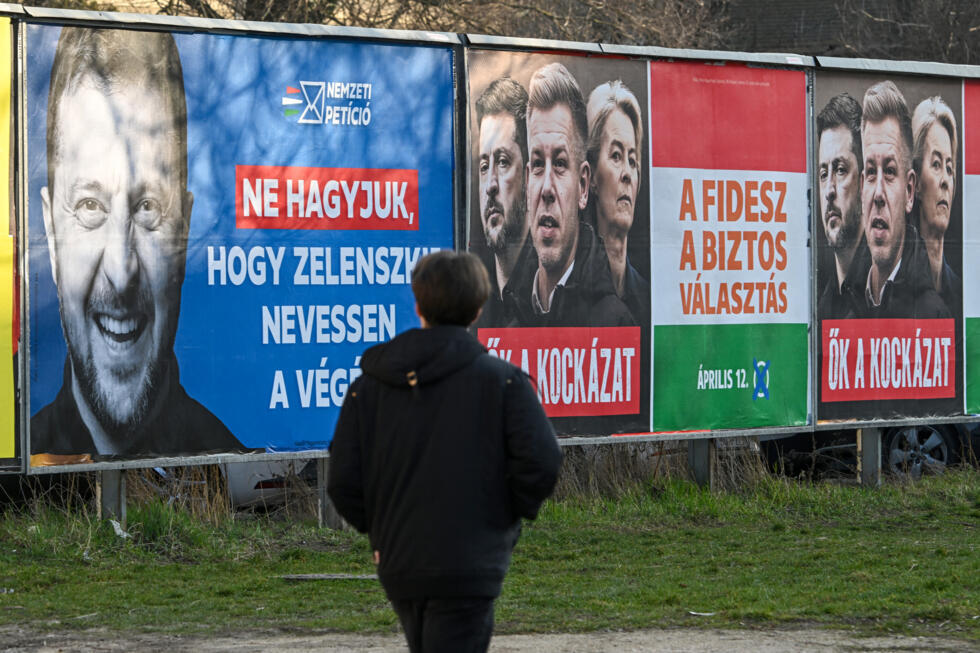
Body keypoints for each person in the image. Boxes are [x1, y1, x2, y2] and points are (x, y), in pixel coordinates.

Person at [328, 250, 562, 653]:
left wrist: (384, 527)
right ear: (478, 310)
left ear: (418, 305)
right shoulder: (503, 383)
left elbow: (343, 479)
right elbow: (542, 462)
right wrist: (502, 518)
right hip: (469, 565)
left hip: (402, 562)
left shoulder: (369, 386)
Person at [31, 27, 247, 462]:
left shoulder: (230, 461)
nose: (121, 268)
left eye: (148, 206)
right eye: (90, 206)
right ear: (52, 237)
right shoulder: (20, 469)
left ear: (183, 232)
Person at [513, 62, 633, 327]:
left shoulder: (616, 325)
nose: (546, 189)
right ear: (526, 182)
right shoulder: (508, 327)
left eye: (559, 163)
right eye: (537, 165)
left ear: (582, 185)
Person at [858, 81, 948, 319]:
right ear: (861, 188)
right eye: (870, 173)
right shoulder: (845, 310)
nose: (877, 194)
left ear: (909, 191)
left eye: (889, 171)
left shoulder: (935, 316)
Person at [472, 77, 536, 328]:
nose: (490, 186)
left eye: (503, 162)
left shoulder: (550, 297)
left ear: (529, 176)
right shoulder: (476, 307)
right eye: (485, 166)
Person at [586, 80, 649, 324]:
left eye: (632, 161)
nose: (627, 173)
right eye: (615, 156)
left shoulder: (647, 297)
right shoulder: (570, 295)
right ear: (589, 175)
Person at [816, 93, 869, 320]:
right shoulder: (822, 308)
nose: (829, 191)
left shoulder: (884, 293)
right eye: (823, 173)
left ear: (864, 181)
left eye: (840, 170)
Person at [911, 96, 960, 313]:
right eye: (936, 164)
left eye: (949, 169)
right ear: (917, 183)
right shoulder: (898, 287)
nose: (945, 180)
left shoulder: (960, 293)